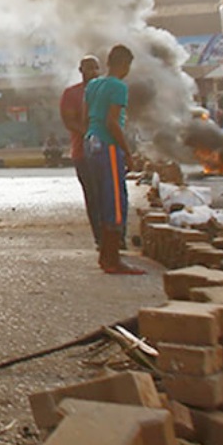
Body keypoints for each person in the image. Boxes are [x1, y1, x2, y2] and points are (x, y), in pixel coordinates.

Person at [85, 44, 142, 275]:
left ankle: (104, 257)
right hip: (108, 145)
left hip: (91, 142)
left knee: (102, 199)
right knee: (116, 202)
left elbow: (85, 115)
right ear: (125, 64)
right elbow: (112, 122)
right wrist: (127, 152)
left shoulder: (93, 85)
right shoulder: (118, 87)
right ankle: (112, 260)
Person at [59, 55, 103, 249]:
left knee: (109, 195)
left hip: (106, 153)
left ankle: (116, 236)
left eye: (96, 68)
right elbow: (69, 122)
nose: (92, 72)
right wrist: (91, 134)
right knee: (93, 196)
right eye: (88, 68)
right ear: (80, 70)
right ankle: (100, 237)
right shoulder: (72, 94)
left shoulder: (105, 91)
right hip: (83, 154)